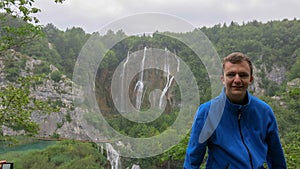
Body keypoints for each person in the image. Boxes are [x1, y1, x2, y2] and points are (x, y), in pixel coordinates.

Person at [183, 52, 287, 169]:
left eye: (243, 75)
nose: (237, 80)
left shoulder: (264, 112)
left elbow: (276, 159)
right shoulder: (208, 112)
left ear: (251, 79)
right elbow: (193, 160)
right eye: (231, 74)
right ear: (223, 79)